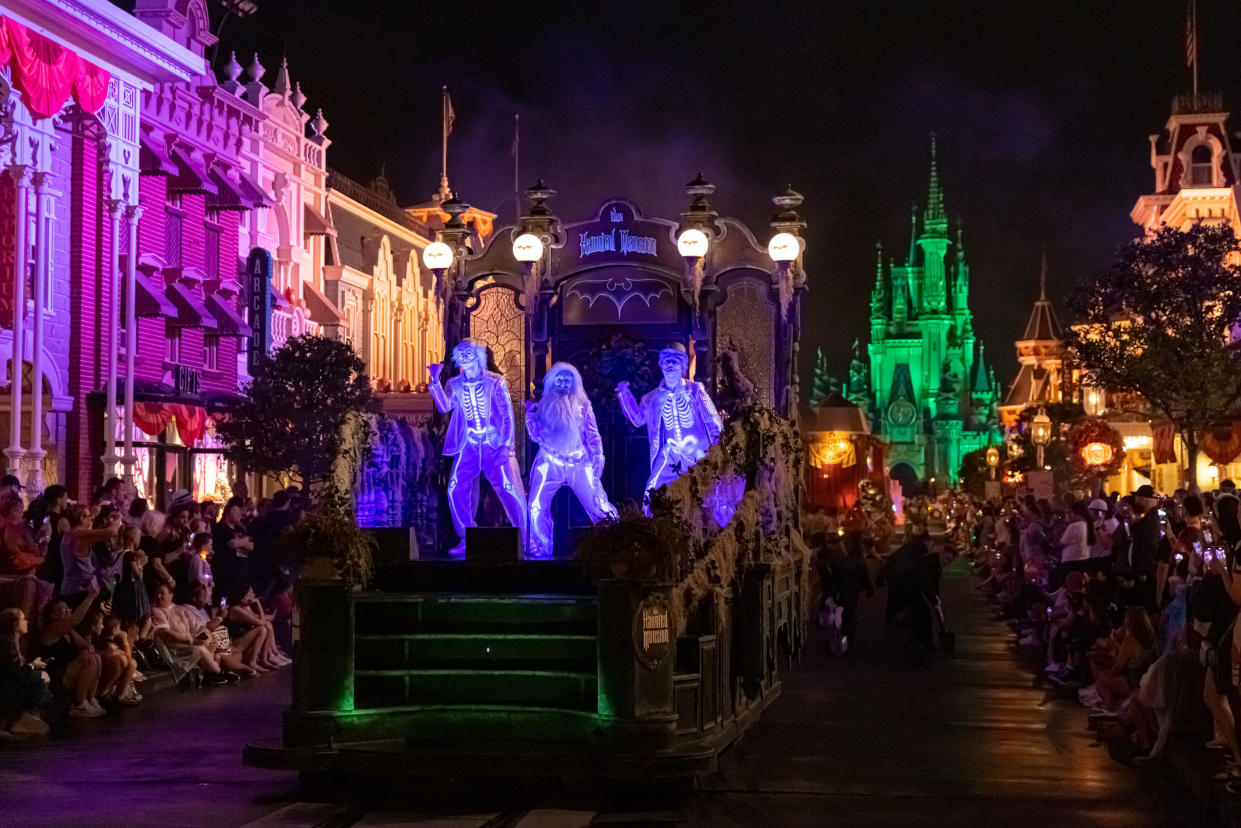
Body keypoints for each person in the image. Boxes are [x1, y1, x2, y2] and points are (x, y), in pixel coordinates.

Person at [427, 339, 528, 556]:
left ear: (478, 355)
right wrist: (434, 381)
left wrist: (506, 445)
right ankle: (467, 537)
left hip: (493, 444)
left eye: (468, 351)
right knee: (455, 487)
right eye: (460, 352)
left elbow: (507, 415)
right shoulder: (455, 383)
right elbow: (445, 406)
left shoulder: (495, 381)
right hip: (470, 444)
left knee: (509, 488)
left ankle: (524, 538)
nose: (464, 355)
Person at [523, 362, 618, 559]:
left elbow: (592, 435)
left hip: (578, 462)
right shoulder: (543, 405)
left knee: (597, 502)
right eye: (559, 379)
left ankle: (616, 542)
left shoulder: (583, 406)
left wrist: (598, 456)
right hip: (549, 461)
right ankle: (541, 547)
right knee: (535, 506)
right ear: (552, 381)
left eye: (567, 380)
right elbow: (536, 436)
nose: (563, 383)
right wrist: (530, 418)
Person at [616, 342, 723, 510]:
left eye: (675, 361)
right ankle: (652, 527)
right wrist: (624, 395)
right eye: (667, 361)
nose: (671, 365)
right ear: (661, 365)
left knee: (706, 492)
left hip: (696, 451)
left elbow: (713, 421)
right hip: (669, 453)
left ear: (683, 366)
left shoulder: (695, 390)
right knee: (653, 491)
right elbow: (637, 420)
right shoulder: (651, 398)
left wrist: (719, 450)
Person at [36, 583, 104, 717]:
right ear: (52, 616)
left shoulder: (69, 632)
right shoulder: (51, 630)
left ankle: (90, 698)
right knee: (88, 661)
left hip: (67, 674)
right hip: (55, 678)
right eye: (61, 611)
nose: (66, 612)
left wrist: (84, 650)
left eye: (68, 610)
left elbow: (88, 646)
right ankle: (80, 704)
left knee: (95, 656)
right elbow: (75, 620)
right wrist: (90, 597)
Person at [148, 584, 235, 686]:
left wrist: (206, 635)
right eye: (157, 594)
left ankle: (210, 674)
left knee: (208, 641)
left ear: (171, 595)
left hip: (187, 641)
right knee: (200, 649)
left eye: (162, 593)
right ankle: (219, 672)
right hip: (173, 646)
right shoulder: (156, 610)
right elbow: (166, 633)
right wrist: (191, 640)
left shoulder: (180, 609)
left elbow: (197, 626)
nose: (158, 596)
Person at [58, 505, 121, 609]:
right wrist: (118, 519)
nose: (92, 518)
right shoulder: (80, 536)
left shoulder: (70, 534)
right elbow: (112, 532)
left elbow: (92, 535)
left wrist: (103, 525)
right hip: (80, 591)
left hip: (70, 588)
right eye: (90, 516)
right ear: (82, 518)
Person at [0, 608, 51, 735]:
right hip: (4, 692)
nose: (26, 622)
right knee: (42, 677)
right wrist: (33, 666)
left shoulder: (14, 642)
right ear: (14, 624)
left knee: (46, 690)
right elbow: (14, 675)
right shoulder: (4, 642)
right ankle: (20, 716)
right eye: (23, 619)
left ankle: (27, 715)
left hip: (9, 689)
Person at [223, 584, 291, 670]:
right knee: (262, 629)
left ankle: (269, 656)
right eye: (248, 595)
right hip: (234, 644)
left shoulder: (245, 607)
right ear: (241, 597)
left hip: (243, 640)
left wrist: (257, 604)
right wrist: (258, 603)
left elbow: (261, 619)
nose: (252, 596)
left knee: (267, 625)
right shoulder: (236, 609)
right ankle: (254, 661)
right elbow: (260, 622)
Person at [1127, 485, 1162, 611]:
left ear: (1144, 499)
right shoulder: (1148, 517)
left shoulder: (1151, 521)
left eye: (1137, 498)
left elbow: (1150, 546)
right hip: (1144, 572)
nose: (1136, 501)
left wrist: (1143, 571)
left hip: (1145, 575)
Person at [211, 501, 253, 598]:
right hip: (225, 571)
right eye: (235, 512)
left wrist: (241, 542)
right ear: (227, 513)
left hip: (240, 571)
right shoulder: (221, 528)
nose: (238, 514)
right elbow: (233, 544)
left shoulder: (241, 529)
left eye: (239, 512)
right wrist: (246, 539)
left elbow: (251, 546)